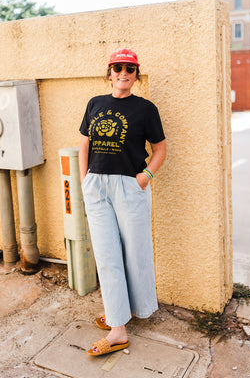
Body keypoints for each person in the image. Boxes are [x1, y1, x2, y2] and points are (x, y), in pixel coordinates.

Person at [79, 48, 166, 356]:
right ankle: (118, 326)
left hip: (130, 186)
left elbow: (160, 149)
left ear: (136, 74)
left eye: (130, 68)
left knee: (135, 252)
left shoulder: (145, 108)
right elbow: (85, 144)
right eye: (118, 67)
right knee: (106, 255)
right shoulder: (95, 103)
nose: (123, 73)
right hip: (97, 186)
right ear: (110, 72)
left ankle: (128, 313)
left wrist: (146, 177)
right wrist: (85, 179)